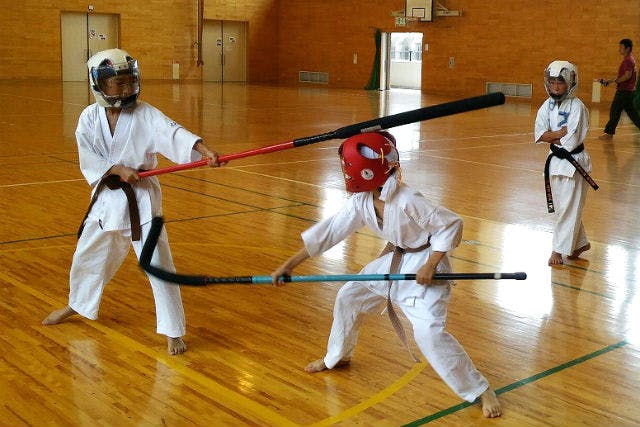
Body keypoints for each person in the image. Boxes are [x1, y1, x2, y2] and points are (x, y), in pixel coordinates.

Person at [271, 131, 502, 418]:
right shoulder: (362, 200)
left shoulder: (407, 199)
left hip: (426, 262)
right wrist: (290, 264)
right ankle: (339, 356)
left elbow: (451, 225)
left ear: (362, 170)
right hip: (397, 259)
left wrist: (430, 265)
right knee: (349, 297)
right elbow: (330, 232)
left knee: (428, 333)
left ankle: (480, 389)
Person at [42, 48, 222, 355]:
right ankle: (78, 304)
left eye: (128, 82)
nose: (125, 89)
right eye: (117, 84)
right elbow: (88, 156)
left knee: (159, 265)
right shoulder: (88, 118)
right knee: (86, 256)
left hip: (141, 201)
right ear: (99, 85)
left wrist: (203, 151)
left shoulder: (145, 114)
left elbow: (173, 132)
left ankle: (173, 330)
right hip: (107, 198)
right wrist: (115, 169)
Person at [535, 60, 594, 266]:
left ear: (570, 82)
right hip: (554, 163)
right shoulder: (546, 105)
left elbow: (571, 141)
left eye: (560, 82)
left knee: (568, 208)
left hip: (574, 164)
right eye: (552, 82)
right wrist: (558, 133)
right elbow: (540, 134)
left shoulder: (578, 107)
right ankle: (579, 243)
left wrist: (553, 136)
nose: (555, 86)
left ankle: (557, 250)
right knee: (563, 208)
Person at [598, 38, 640, 140]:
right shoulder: (630, 59)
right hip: (628, 92)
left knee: (614, 111)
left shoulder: (628, 60)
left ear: (627, 48)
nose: (619, 49)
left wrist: (614, 81)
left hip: (624, 92)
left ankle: (609, 133)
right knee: (633, 114)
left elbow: (627, 76)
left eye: (621, 47)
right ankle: (609, 133)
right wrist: (610, 81)